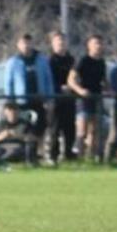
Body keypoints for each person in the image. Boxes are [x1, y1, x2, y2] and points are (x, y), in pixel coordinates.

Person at [3, 33, 55, 165]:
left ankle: (39, 155)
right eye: (23, 43)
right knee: (25, 129)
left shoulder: (41, 60)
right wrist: (10, 102)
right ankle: (25, 156)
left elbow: (48, 80)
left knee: (40, 128)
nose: (26, 46)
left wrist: (49, 99)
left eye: (28, 42)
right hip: (21, 103)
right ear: (18, 45)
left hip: (38, 101)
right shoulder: (13, 62)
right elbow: (8, 83)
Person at [67, 36, 107, 162]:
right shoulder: (83, 60)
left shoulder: (102, 62)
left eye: (100, 43)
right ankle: (78, 156)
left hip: (97, 98)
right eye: (95, 43)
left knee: (94, 130)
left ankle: (92, 158)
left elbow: (104, 81)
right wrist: (80, 90)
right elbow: (70, 80)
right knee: (82, 129)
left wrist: (109, 89)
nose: (98, 46)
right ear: (89, 45)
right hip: (83, 99)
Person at [45, 32, 77, 162]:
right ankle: (53, 155)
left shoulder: (71, 60)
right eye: (58, 41)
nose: (61, 43)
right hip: (55, 99)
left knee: (70, 128)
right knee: (55, 128)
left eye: (63, 41)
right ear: (52, 44)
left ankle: (68, 154)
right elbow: (48, 79)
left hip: (69, 98)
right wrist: (59, 88)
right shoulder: (49, 60)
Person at [0, 102, 35, 167]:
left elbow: (33, 138)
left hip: (17, 146)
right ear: (5, 112)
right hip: (1, 145)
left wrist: (17, 135)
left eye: (14, 110)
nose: (12, 113)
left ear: (18, 111)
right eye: (9, 111)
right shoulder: (0, 124)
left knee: (11, 152)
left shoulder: (25, 124)